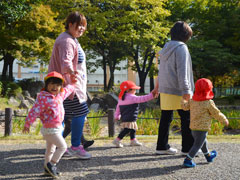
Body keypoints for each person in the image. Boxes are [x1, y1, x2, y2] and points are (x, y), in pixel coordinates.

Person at [48, 11, 92, 159]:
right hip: (68, 87)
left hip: (68, 86)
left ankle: (57, 146)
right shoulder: (66, 40)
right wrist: (72, 72)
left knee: (65, 117)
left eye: (84, 26)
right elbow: (65, 61)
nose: (82, 29)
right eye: (79, 25)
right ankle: (75, 146)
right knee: (81, 113)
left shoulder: (71, 38)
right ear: (70, 24)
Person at [23, 71, 75, 178]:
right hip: (50, 129)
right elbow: (34, 111)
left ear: (60, 86)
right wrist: (27, 124)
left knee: (50, 149)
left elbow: (68, 90)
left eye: (57, 84)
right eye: (51, 84)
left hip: (57, 128)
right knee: (62, 147)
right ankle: (51, 165)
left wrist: (73, 83)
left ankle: (47, 170)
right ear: (46, 85)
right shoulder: (43, 98)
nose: (54, 87)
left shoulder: (59, 95)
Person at [153, 21, 194, 155]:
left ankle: (161, 146)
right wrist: (186, 90)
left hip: (165, 89)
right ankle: (188, 148)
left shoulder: (165, 48)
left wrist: (157, 87)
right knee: (186, 118)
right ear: (186, 34)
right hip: (178, 89)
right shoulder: (181, 47)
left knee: (166, 117)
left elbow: (161, 71)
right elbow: (182, 71)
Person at [181, 78, 229, 167]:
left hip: (193, 127)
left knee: (202, 141)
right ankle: (188, 160)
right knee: (197, 145)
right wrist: (224, 119)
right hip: (202, 128)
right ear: (209, 89)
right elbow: (216, 113)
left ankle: (208, 156)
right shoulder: (208, 102)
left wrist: (183, 100)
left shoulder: (192, 100)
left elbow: (184, 107)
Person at [113, 80, 157, 148]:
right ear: (128, 90)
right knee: (127, 129)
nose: (135, 91)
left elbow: (118, 108)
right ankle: (117, 139)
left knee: (133, 128)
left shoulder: (121, 98)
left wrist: (117, 116)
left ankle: (133, 140)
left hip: (125, 117)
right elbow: (142, 99)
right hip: (130, 116)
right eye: (134, 89)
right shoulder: (132, 97)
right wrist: (151, 95)